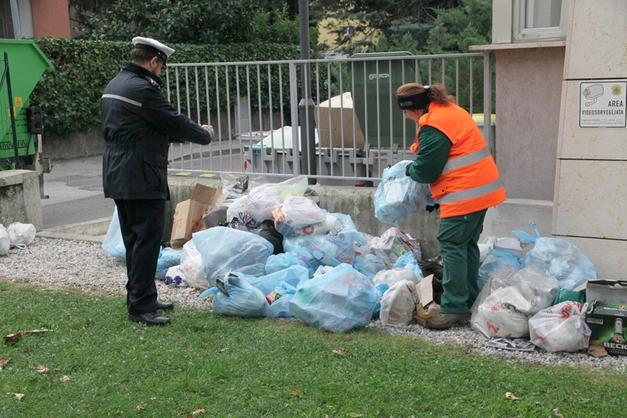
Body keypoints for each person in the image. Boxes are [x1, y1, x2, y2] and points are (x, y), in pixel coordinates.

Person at [101, 37, 213, 325]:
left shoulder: (116, 84)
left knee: (134, 240)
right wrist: (204, 134)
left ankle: (142, 297)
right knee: (146, 243)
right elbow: (172, 121)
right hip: (141, 176)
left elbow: (146, 128)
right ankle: (140, 308)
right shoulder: (142, 90)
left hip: (119, 173)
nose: (160, 73)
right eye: (161, 67)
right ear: (153, 62)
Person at [396, 83, 506, 330]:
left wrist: (408, 170)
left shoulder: (434, 124)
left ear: (411, 108)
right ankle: (468, 299)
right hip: (481, 190)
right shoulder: (451, 110)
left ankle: (453, 308)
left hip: (464, 194)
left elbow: (426, 169)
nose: (405, 117)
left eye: (405, 112)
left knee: (452, 245)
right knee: (465, 245)